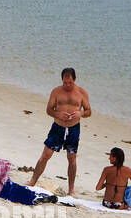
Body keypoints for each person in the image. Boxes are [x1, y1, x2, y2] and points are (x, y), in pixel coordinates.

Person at [25, 67, 91, 197]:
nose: (67, 85)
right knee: (45, 155)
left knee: (72, 159)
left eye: (70, 83)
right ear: (62, 80)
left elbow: (89, 111)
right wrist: (58, 114)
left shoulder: (81, 93)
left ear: (75, 80)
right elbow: (49, 110)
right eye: (65, 82)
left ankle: (71, 190)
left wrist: (80, 113)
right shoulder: (56, 91)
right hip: (58, 127)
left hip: (73, 129)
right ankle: (32, 181)